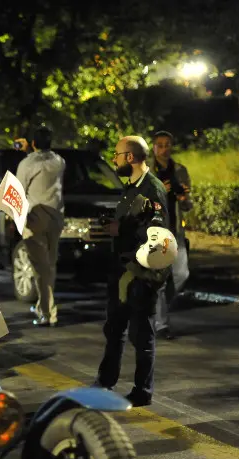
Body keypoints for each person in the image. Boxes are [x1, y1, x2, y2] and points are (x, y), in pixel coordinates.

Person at [94, 135, 170, 407]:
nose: (114, 159)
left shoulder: (153, 189)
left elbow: (158, 235)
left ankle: (142, 390)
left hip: (141, 274)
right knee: (114, 329)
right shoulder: (130, 188)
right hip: (122, 270)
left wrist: (121, 229)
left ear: (131, 157)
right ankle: (105, 381)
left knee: (142, 334)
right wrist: (114, 226)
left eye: (117, 154)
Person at [16, 126, 66, 327]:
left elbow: (18, 191)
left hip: (34, 217)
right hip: (56, 217)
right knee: (50, 266)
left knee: (40, 267)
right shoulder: (59, 161)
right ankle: (43, 306)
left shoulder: (27, 163)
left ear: (33, 143)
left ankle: (47, 313)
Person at [150, 131, 193, 340]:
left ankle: (157, 307)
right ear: (153, 147)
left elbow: (187, 205)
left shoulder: (180, 170)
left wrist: (183, 197)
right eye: (160, 145)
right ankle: (160, 324)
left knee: (182, 274)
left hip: (176, 230)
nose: (164, 148)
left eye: (168, 144)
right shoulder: (145, 171)